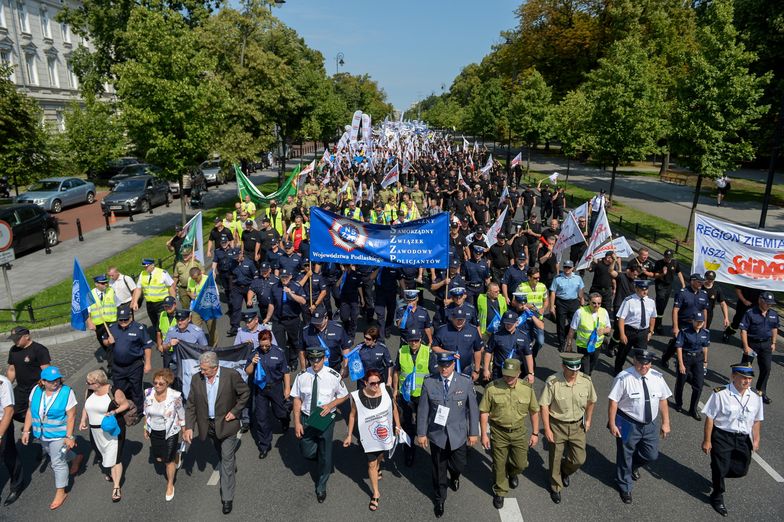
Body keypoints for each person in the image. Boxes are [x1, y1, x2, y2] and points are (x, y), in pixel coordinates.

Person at [183, 351, 250, 515]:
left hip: (227, 425)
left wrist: (235, 411)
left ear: (215, 367)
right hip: (208, 425)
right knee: (221, 453)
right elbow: (191, 405)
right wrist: (189, 427)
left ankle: (227, 497)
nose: (202, 372)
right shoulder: (196, 379)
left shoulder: (231, 375)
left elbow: (245, 392)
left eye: (205, 369)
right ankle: (230, 462)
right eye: (201, 369)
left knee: (226, 460)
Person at [417, 352, 479, 518]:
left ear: (453, 365)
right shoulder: (430, 382)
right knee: (438, 469)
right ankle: (440, 498)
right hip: (438, 435)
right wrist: (421, 433)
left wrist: (473, 432)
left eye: (447, 365)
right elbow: (423, 410)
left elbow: (473, 409)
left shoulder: (465, 382)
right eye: (441, 365)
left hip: (458, 434)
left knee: (459, 465)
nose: (444, 368)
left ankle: (456, 475)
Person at [608, 349, 672, 504]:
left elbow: (663, 400)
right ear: (635, 361)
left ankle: (632, 467)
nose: (644, 366)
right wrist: (612, 423)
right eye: (641, 363)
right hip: (627, 421)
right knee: (625, 454)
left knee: (651, 455)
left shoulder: (657, 377)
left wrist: (666, 422)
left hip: (650, 423)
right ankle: (625, 486)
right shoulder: (624, 378)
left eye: (647, 363)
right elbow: (613, 402)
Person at [701, 363, 763, 516]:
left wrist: (756, 439)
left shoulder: (755, 396)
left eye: (749, 379)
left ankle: (718, 471)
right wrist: (707, 440)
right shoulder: (720, 393)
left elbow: (757, 420)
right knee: (720, 468)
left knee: (741, 470)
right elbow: (710, 418)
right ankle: (717, 496)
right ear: (733, 377)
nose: (747, 382)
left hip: (743, 438)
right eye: (743, 378)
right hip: (722, 436)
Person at [291, 347, 350, 503]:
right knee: (306, 450)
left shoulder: (333, 376)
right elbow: (296, 399)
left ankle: (321, 486)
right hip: (307, 418)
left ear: (324, 359)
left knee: (325, 453)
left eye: (318, 360)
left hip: (325, 419)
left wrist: (330, 405)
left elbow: (344, 396)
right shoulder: (302, 376)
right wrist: (296, 422)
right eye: (312, 360)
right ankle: (317, 456)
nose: (315, 363)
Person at [479, 358, 539, 509]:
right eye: (506, 375)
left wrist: (535, 433)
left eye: (512, 375)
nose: (508, 378)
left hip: (519, 432)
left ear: (519, 373)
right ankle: (500, 491)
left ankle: (512, 472)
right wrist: (484, 434)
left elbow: (534, 411)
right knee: (499, 464)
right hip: (499, 432)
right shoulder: (492, 388)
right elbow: (484, 411)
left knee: (521, 464)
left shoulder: (527, 389)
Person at [539, 353, 597, 504]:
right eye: (571, 370)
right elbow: (544, 405)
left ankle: (564, 471)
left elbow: (591, 401)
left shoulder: (585, 381)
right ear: (563, 366)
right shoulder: (553, 382)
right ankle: (555, 486)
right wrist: (547, 429)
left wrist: (589, 420)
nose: (574, 373)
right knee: (555, 457)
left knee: (579, 459)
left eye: (577, 370)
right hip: (557, 425)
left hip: (578, 425)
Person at [21, 367, 81, 510]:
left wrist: (69, 436)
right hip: (41, 434)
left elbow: (71, 416)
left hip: (59, 435)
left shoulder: (67, 392)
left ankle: (61, 492)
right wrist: (25, 431)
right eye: (51, 381)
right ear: (43, 381)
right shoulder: (36, 390)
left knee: (57, 462)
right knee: (53, 453)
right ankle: (76, 457)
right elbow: (30, 410)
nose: (56, 383)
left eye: (57, 379)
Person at [343, 369, 402, 512]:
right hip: (368, 437)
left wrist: (398, 425)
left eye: (378, 382)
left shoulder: (386, 391)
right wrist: (349, 435)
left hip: (384, 435)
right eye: (372, 383)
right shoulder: (357, 397)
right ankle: (376, 493)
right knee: (371, 464)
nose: (376, 386)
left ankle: (379, 465)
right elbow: (352, 415)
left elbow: (394, 409)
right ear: (365, 383)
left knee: (380, 457)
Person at [79, 369, 130, 502]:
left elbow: (126, 404)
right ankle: (109, 471)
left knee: (115, 459)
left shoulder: (114, 391)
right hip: (95, 432)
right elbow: (86, 406)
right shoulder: (90, 391)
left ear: (98, 383)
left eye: (89, 382)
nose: (87, 384)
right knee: (102, 454)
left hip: (112, 432)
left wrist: (114, 411)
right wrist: (83, 419)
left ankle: (116, 487)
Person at [392, 329, 435, 467]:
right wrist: (395, 389)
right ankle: (409, 451)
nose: (413, 343)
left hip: (423, 395)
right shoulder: (402, 351)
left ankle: (426, 441)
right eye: (411, 340)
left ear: (420, 340)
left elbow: (434, 375)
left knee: (425, 421)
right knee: (407, 424)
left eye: (416, 340)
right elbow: (396, 372)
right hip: (406, 395)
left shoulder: (427, 352)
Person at [245, 330, 290, 459]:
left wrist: (287, 388)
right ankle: (264, 444)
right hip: (260, 390)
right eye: (262, 345)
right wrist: (252, 363)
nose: (264, 348)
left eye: (267, 345)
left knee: (280, 412)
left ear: (271, 341)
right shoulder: (254, 353)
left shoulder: (279, 352)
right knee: (261, 418)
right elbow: (248, 372)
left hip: (275, 387)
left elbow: (285, 372)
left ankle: (285, 419)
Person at [102, 306, 153, 418]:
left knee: (136, 389)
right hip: (118, 366)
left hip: (134, 365)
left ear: (130, 317)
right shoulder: (112, 328)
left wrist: (148, 363)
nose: (123, 322)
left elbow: (147, 346)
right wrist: (108, 342)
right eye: (121, 320)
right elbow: (104, 340)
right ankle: (123, 409)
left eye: (126, 319)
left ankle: (138, 412)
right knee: (120, 390)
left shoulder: (139, 328)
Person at [143, 368, 185, 502]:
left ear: (168, 383)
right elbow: (146, 413)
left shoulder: (175, 396)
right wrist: (146, 427)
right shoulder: (148, 393)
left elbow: (181, 414)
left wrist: (184, 430)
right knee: (159, 458)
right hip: (154, 431)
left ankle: (170, 484)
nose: (157, 386)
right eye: (155, 383)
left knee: (168, 460)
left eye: (161, 384)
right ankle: (176, 455)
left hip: (170, 431)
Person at [661, 273, 710, 369]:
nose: (701, 284)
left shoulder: (704, 295)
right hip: (683, 323)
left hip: (697, 324)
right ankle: (665, 358)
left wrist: (704, 326)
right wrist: (675, 327)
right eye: (699, 282)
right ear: (692, 281)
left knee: (694, 345)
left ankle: (686, 366)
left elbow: (704, 310)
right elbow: (675, 310)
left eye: (702, 282)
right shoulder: (683, 293)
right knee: (677, 344)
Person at [739, 291, 779, 404]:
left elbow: (774, 328)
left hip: (766, 344)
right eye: (767, 303)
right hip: (752, 344)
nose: (769, 305)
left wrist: (774, 342)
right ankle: (741, 390)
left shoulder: (773, 314)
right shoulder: (750, 313)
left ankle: (761, 392)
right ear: (760, 300)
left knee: (766, 368)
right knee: (746, 368)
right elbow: (743, 330)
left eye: (771, 303)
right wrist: (746, 346)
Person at [263, 267, 307, 370]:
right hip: (278, 320)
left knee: (294, 342)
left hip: (293, 319)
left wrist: (290, 293)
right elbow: (271, 304)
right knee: (279, 343)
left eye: (286, 277)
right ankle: (283, 362)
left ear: (290, 277)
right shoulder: (274, 287)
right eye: (282, 277)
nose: (284, 279)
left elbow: (303, 301)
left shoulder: (296, 286)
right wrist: (267, 318)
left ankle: (293, 360)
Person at [6, 326, 51, 422]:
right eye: (13, 339)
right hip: (21, 388)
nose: (15, 341)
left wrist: (45, 385)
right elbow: (11, 369)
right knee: (13, 411)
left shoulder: (39, 349)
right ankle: (30, 422)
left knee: (37, 410)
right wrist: (7, 384)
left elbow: (46, 370)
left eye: (17, 338)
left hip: (37, 387)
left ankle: (34, 427)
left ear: (27, 336)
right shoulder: (13, 350)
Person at [672, 311, 711, 420]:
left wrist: (705, 362)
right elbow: (679, 347)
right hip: (686, 358)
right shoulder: (684, 332)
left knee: (699, 385)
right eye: (697, 321)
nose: (699, 323)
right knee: (681, 382)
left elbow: (705, 347)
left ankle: (693, 409)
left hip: (698, 359)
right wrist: (681, 364)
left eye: (701, 321)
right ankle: (679, 403)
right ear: (692, 321)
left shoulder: (705, 332)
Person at [613, 280, 656, 376]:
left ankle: (639, 372)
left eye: (646, 289)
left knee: (642, 355)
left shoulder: (651, 302)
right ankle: (618, 370)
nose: (645, 292)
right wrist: (622, 334)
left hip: (643, 332)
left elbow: (653, 317)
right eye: (642, 290)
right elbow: (621, 318)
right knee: (622, 353)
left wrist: (651, 331)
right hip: (629, 331)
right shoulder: (629, 301)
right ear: (636, 289)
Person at [564, 292, 612, 376]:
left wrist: (603, 331)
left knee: (591, 368)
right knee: (585, 371)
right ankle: (583, 383)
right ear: (589, 301)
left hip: (596, 346)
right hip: (583, 346)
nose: (596, 305)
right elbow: (572, 330)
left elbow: (608, 328)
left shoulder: (604, 312)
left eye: (599, 303)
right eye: (594, 303)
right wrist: (569, 344)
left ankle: (585, 379)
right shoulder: (580, 312)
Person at [431, 307, 484, 380]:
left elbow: (477, 350)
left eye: (462, 319)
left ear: (465, 319)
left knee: (465, 390)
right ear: (452, 318)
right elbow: (434, 347)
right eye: (457, 319)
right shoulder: (442, 330)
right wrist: (448, 353)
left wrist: (477, 371)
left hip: (466, 369)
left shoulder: (473, 330)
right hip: (447, 368)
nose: (459, 321)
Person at [483, 311, 534, 383]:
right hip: (499, 371)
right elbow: (488, 352)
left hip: (515, 372)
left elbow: (528, 355)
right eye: (507, 323)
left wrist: (531, 373)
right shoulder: (496, 335)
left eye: (511, 323)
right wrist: (486, 369)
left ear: (517, 323)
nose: (508, 325)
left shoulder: (523, 337)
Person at [549, 260, 585, 351]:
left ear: (573, 268)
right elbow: (553, 292)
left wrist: (582, 299)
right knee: (560, 323)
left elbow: (581, 289)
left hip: (573, 302)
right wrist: (552, 306)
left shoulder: (578, 278)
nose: (567, 269)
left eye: (569, 267)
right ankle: (561, 343)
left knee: (574, 323)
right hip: (561, 303)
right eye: (565, 267)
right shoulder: (557, 278)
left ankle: (565, 333)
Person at [131, 258, 176, 331]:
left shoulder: (162, 273)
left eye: (147, 266)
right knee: (154, 322)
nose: (145, 268)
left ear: (152, 265)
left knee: (162, 322)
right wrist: (135, 301)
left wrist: (173, 301)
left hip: (162, 303)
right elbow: (138, 289)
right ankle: (158, 338)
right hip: (150, 304)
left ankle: (166, 337)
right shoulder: (142, 274)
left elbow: (171, 287)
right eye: (144, 266)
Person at [0, 373, 23, 506]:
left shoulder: (3, 383)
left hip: (2, 423)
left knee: (9, 456)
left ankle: (17, 485)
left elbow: (9, 411)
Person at [652, 249, 684, 333]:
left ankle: (657, 322)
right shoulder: (658, 263)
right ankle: (657, 325)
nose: (667, 259)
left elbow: (679, 273)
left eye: (669, 257)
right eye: (666, 257)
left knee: (664, 305)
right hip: (660, 285)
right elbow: (655, 275)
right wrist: (663, 273)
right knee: (660, 304)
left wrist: (683, 285)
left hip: (669, 286)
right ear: (664, 256)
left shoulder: (675, 263)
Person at [86, 275, 117, 357]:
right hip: (99, 324)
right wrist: (89, 322)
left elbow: (118, 304)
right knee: (105, 344)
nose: (105, 284)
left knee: (115, 342)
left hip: (112, 321)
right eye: (102, 283)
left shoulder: (111, 290)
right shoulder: (90, 294)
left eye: (106, 282)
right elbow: (87, 310)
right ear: (96, 284)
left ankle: (115, 362)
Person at [156, 296, 178, 369]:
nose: (167, 308)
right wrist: (159, 345)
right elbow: (159, 331)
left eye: (169, 306)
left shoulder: (181, 315)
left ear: (174, 305)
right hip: (166, 349)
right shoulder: (162, 315)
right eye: (165, 306)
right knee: (167, 372)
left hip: (178, 349)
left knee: (180, 373)